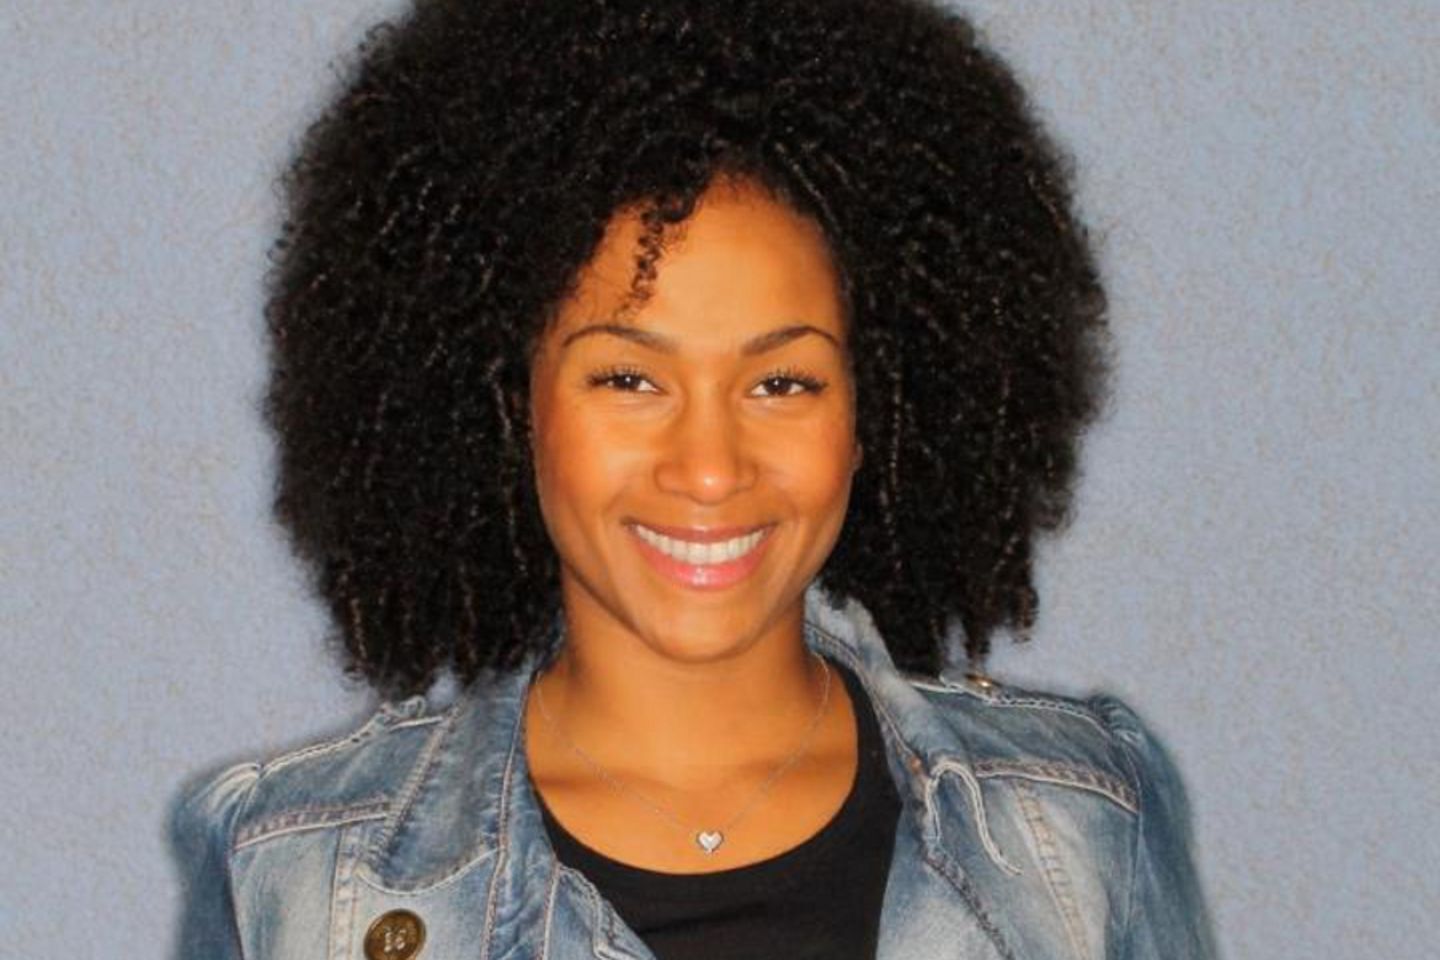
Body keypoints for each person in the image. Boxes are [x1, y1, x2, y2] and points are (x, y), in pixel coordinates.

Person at [171, 0, 1218, 957]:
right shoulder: (298, 883)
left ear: (880, 413)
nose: (710, 469)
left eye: (783, 382)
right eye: (629, 379)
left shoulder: (1081, 828)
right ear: (506, 405)